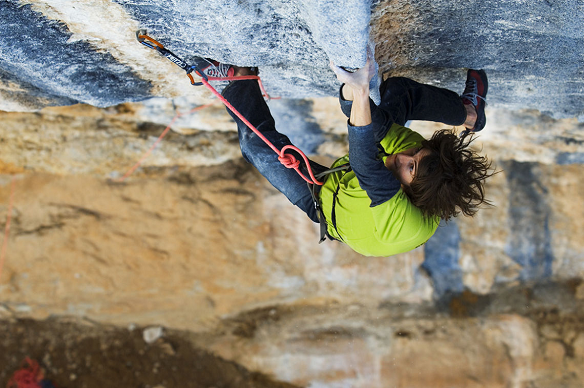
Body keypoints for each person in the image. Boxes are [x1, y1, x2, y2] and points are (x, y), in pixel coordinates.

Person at [205, 55, 492, 257]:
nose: (402, 157)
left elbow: (365, 162)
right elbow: (364, 119)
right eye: (415, 153)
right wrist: (352, 85)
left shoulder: (404, 222)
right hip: (345, 184)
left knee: (257, 148)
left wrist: (360, 88)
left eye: (410, 167)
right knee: (397, 94)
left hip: (323, 200)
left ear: (409, 191)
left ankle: (240, 76)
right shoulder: (411, 151)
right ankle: (469, 113)